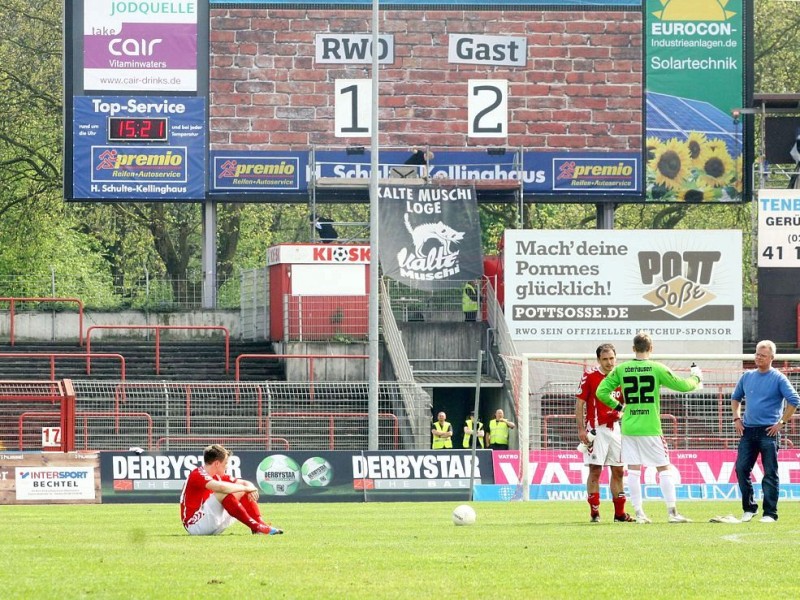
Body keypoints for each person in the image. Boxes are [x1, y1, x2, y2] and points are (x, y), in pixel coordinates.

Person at [596, 331, 702, 524]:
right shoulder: (656, 368)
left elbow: (601, 392)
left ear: (633, 349)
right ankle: (672, 512)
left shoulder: (622, 369)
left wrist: (620, 407)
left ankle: (639, 514)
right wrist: (696, 377)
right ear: (651, 348)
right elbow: (684, 386)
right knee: (664, 468)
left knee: (634, 470)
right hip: (651, 427)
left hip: (629, 427)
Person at [732, 340, 799, 523]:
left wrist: (781, 422)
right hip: (748, 430)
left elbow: (794, 400)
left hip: (768, 432)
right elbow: (735, 398)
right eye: (757, 354)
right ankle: (749, 508)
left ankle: (770, 513)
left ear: (771, 357)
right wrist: (737, 418)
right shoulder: (747, 376)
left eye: (762, 355)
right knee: (741, 468)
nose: (758, 357)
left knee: (770, 473)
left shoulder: (778, 378)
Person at [575, 343, 634, 523]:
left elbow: (627, 403)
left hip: (616, 429)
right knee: (595, 470)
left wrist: (623, 415)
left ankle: (619, 514)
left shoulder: (622, 376)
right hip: (596, 430)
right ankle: (595, 513)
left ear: (616, 358)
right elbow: (579, 404)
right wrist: (580, 429)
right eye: (605, 359)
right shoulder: (590, 376)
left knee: (618, 471)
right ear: (599, 360)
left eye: (612, 358)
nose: (609, 362)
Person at [180, 444, 283, 536]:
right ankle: (257, 526)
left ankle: (259, 525)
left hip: (208, 523)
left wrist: (250, 488)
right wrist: (247, 488)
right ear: (217, 464)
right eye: (225, 463)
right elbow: (222, 488)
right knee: (223, 492)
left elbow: (244, 483)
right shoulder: (197, 474)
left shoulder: (216, 476)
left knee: (239, 490)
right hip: (195, 525)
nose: (227, 466)